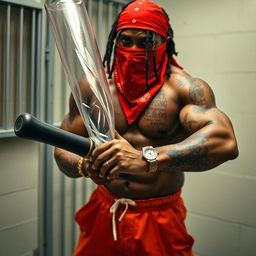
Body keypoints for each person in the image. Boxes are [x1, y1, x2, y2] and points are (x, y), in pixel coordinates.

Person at [54, 0, 239, 255]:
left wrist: (145, 159)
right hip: (105, 208)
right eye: (125, 40)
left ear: (165, 42)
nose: (133, 49)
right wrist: (83, 166)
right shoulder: (92, 87)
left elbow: (225, 142)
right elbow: (62, 147)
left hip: (160, 214)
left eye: (146, 42)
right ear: (114, 40)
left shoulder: (183, 89)